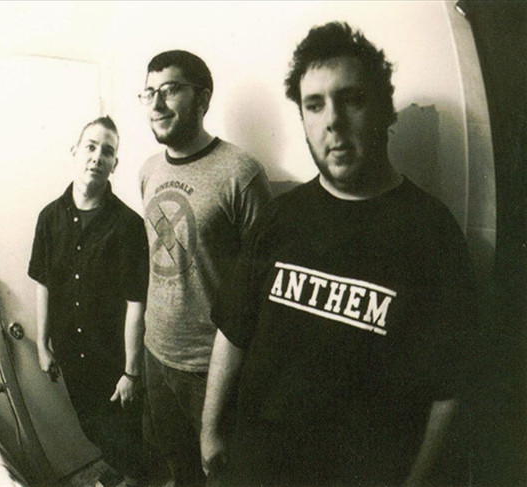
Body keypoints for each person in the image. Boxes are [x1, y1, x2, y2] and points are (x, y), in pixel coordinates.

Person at [201, 22, 477, 486]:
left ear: (384, 110)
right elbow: (233, 329)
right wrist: (210, 431)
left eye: (351, 99)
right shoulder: (279, 216)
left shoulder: (432, 233)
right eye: (314, 105)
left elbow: (448, 390)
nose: (332, 120)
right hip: (257, 466)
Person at [138, 50, 272, 486]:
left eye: (170, 90)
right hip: (156, 354)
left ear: (203, 98)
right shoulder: (148, 170)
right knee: (180, 472)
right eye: (148, 93)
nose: (156, 104)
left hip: (211, 370)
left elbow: (262, 287)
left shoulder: (241, 174)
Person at [28, 116, 149, 485]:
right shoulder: (49, 218)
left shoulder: (128, 225)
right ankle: (122, 472)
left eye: (107, 151)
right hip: (71, 355)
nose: (97, 156)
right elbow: (43, 283)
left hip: (112, 359)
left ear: (115, 164)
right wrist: (42, 344)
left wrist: (131, 372)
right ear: (75, 151)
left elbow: (136, 302)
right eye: (91, 147)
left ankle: (137, 478)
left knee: (127, 438)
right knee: (92, 429)